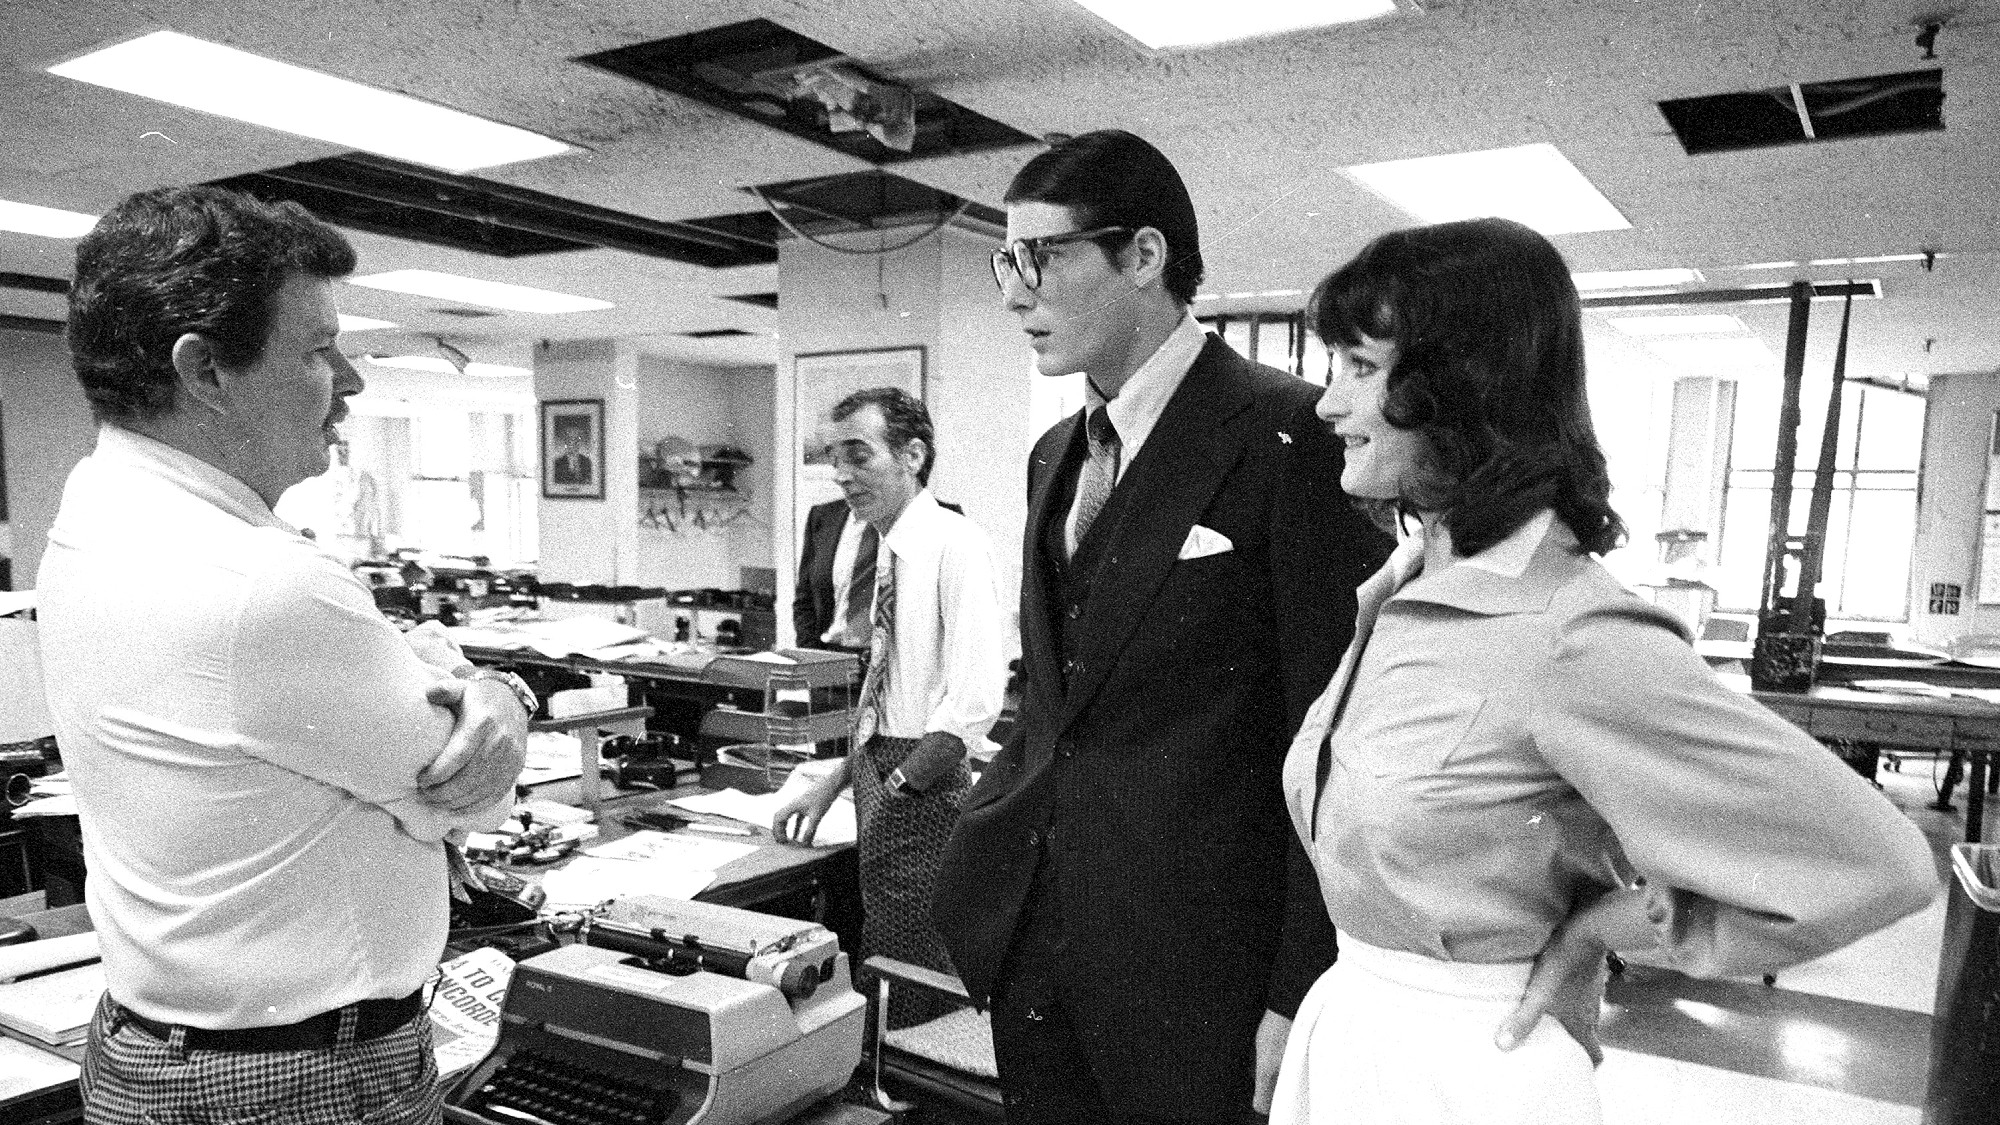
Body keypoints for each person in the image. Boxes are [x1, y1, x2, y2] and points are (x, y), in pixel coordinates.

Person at [1270, 217, 1938, 1124]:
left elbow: (1878, 861)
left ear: (1459, 386)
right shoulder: (1408, 587)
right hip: (1358, 1029)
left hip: (1474, 1065)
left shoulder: (1568, 630)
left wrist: (1601, 929)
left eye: (1358, 367)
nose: (1325, 403)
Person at [37, 185, 536, 1125]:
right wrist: (499, 693)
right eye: (316, 348)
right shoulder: (257, 583)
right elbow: (475, 787)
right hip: (296, 1081)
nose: (350, 380)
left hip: (157, 1048)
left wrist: (435, 690)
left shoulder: (94, 512)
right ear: (206, 371)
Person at [932, 129, 1391, 1123]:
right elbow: (1058, 694)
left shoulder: (1291, 441)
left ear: (1142, 257)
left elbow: (1335, 747)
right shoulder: (1054, 452)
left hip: (1198, 978)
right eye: (1001, 261)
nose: (1013, 292)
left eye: (1039, 257)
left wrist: (1296, 991)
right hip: (1036, 952)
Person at [772, 387, 1006, 1027]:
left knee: (909, 966)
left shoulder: (954, 545)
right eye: (833, 457)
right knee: (883, 947)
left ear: (912, 454)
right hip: (882, 768)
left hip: (925, 781)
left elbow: (975, 699)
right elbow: (886, 693)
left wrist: (900, 787)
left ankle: (912, 1093)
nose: (842, 474)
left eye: (858, 455)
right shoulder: (886, 547)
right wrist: (836, 783)